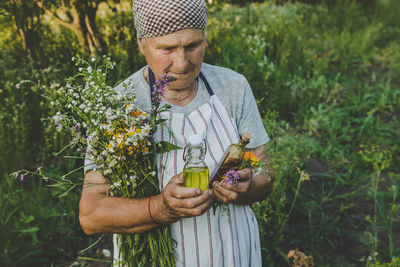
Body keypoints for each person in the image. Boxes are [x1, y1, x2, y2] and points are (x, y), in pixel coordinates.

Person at [79, 0, 275, 266]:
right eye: (167, 48)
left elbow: (265, 173)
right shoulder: (119, 106)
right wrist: (160, 208)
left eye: (193, 45)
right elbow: (91, 214)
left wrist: (249, 186)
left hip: (233, 253)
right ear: (142, 44)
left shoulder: (232, 87)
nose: (182, 63)